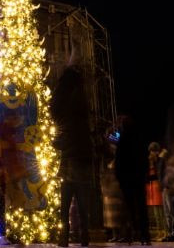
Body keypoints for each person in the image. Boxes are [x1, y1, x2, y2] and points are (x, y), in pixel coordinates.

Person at [51, 65, 94, 247]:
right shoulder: (83, 119)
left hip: (69, 164)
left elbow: (61, 142)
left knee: (65, 204)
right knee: (83, 203)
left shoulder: (66, 118)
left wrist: (55, 142)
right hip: (82, 162)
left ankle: (64, 238)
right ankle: (85, 236)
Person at [116, 115, 152, 245]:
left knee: (129, 208)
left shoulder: (121, 138)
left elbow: (119, 160)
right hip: (138, 178)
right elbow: (144, 158)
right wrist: (145, 174)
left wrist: (119, 177)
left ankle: (131, 234)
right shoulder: (139, 138)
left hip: (127, 179)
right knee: (142, 207)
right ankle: (145, 235)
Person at [100, 132, 128, 242]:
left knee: (119, 214)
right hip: (109, 188)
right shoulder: (107, 154)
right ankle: (115, 234)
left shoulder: (119, 153)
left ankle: (123, 235)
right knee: (111, 215)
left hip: (116, 188)